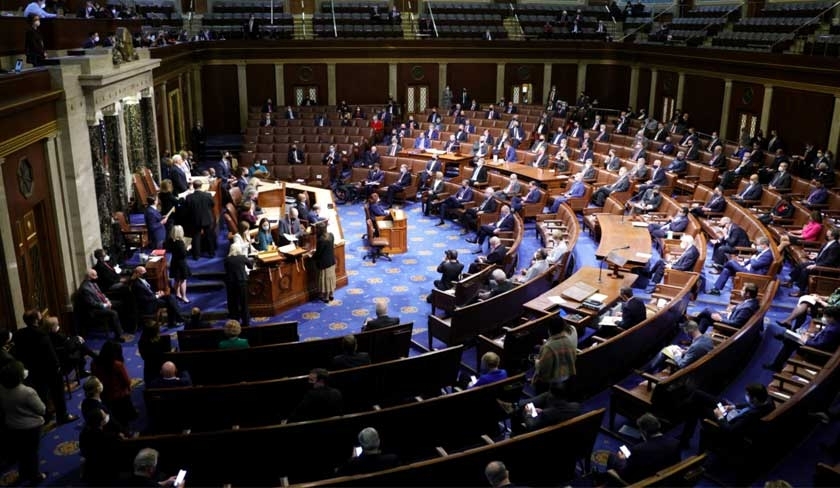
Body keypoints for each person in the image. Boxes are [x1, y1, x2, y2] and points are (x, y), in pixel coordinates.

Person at [13, 309, 77, 425]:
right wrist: (57, 366)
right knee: (58, 393)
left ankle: (46, 416)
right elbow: (50, 353)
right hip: (49, 369)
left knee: (41, 393)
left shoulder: (19, 334)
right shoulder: (41, 334)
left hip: (33, 369)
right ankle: (62, 416)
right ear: (36, 320)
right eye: (39, 316)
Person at [679, 383, 775, 449]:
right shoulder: (768, 401)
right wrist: (733, 406)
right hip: (734, 412)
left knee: (697, 407)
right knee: (697, 394)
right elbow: (749, 405)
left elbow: (730, 430)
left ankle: (684, 438)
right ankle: (684, 435)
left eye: (748, 395)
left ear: (754, 399)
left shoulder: (751, 416)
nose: (746, 396)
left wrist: (720, 416)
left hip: (727, 422)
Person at [0, 361, 47, 484]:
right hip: (30, 427)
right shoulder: (27, 392)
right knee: (31, 453)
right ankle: (36, 476)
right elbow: (42, 409)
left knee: (21, 452)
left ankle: (23, 474)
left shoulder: (1, 388)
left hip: (12, 425)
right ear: (18, 376)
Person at [607, 413, 680, 483]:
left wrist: (621, 459)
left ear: (644, 432)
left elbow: (625, 473)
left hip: (642, 482)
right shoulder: (675, 443)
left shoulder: (639, 449)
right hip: (665, 478)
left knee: (612, 457)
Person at [764, 306, 840, 372]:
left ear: (832, 317)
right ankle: (784, 338)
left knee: (790, 342)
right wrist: (811, 335)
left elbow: (820, 345)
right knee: (791, 339)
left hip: (817, 353)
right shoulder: (834, 324)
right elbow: (822, 336)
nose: (824, 318)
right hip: (815, 343)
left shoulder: (832, 330)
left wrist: (806, 341)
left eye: (825, 316)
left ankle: (776, 365)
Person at [497, 378, 581, 434]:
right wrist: (543, 410)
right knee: (545, 396)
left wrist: (528, 413)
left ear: (553, 395)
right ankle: (515, 405)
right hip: (565, 432)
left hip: (544, 438)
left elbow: (532, 426)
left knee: (518, 413)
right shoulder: (576, 406)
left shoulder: (547, 414)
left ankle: (515, 408)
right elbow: (558, 411)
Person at [91, 340, 136, 427]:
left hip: (102, 394)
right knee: (127, 390)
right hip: (118, 396)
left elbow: (94, 378)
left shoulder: (94, 363)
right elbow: (127, 381)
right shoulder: (117, 365)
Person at [707, 236, 773, 295]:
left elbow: (755, 264)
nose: (757, 246)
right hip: (747, 269)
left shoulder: (768, 255)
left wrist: (752, 259)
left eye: (758, 245)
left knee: (731, 262)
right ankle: (716, 290)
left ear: (764, 245)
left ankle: (720, 267)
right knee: (727, 270)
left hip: (752, 274)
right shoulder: (763, 252)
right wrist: (744, 263)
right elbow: (752, 260)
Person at [645, 321, 712, 374]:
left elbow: (682, 365)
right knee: (668, 351)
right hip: (701, 362)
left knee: (665, 351)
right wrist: (687, 351)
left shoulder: (695, 346)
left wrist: (677, 354)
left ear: (690, 331)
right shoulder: (707, 338)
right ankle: (655, 369)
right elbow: (697, 351)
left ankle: (648, 370)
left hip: (693, 370)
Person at [77, 268, 125, 340]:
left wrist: (106, 300)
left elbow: (100, 294)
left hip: (101, 303)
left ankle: (121, 326)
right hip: (94, 310)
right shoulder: (85, 288)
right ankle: (119, 335)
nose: (97, 277)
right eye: (95, 276)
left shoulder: (93, 283)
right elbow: (92, 303)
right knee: (113, 313)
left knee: (121, 304)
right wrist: (105, 305)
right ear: (88, 277)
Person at [532, 316, 577, 393]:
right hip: (566, 375)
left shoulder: (549, 347)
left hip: (552, 381)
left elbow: (543, 370)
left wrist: (536, 361)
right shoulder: (568, 341)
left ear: (549, 330)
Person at [694, 283, 760, 333]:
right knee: (705, 319)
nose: (740, 291)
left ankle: (694, 322)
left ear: (748, 293)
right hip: (728, 316)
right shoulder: (753, 301)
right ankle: (695, 339)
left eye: (742, 290)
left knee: (707, 309)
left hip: (728, 324)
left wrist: (720, 319)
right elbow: (740, 311)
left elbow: (736, 324)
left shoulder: (747, 308)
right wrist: (731, 311)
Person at [336, 427, 400, 476]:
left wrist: (352, 459)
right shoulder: (392, 459)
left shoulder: (353, 464)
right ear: (379, 442)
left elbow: (337, 472)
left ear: (361, 445)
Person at [184, 179, 216, 259]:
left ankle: (196, 255)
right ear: (201, 186)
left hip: (195, 220)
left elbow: (187, 209)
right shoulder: (208, 195)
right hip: (207, 218)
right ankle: (211, 253)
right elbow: (212, 205)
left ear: (193, 187)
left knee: (196, 237)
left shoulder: (189, 197)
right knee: (209, 236)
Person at [224, 245, 252, 327]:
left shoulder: (227, 260)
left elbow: (226, 269)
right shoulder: (242, 257)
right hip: (242, 282)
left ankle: (235, 322)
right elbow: (250, 265)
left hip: (231, 283)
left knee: (233, 303)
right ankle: (246, 322)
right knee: (244, 303)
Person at [311, 222, 337, 303]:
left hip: (324, 264)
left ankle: (325, 297)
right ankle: (331, 295)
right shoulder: (331, 235)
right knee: (331, 278)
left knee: (325, 280)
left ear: (319, 230)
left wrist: (312, 256)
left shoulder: (321, 240)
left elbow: (318, 253)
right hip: (332, 261)